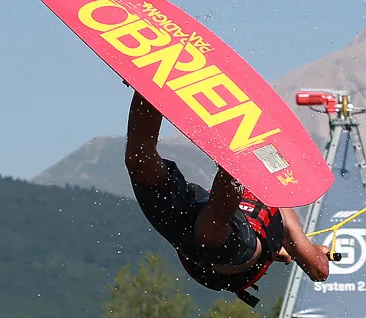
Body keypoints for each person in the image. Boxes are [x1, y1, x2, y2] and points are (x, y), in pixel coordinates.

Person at [124, 91, 331, 306]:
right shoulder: (269, 202)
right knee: (139, 163)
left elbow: (319, 271)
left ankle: (232, 162)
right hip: (197, 239)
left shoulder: (280, 205)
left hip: (231, 258)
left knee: (208, 230)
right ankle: (148, 92)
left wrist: (314, 253)